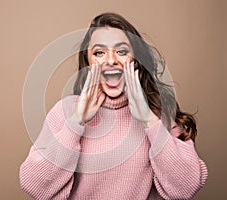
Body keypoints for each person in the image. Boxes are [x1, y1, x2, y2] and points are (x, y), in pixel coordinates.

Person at [19, 12, 208, 200]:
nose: (110, 60)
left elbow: (185, 189)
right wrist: (76, 122)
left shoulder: (157, 114)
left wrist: (148, 120)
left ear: (136, 61)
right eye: (99, 52)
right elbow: (35, 186)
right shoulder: (65, 111)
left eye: (122, 51)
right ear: (89, 62)